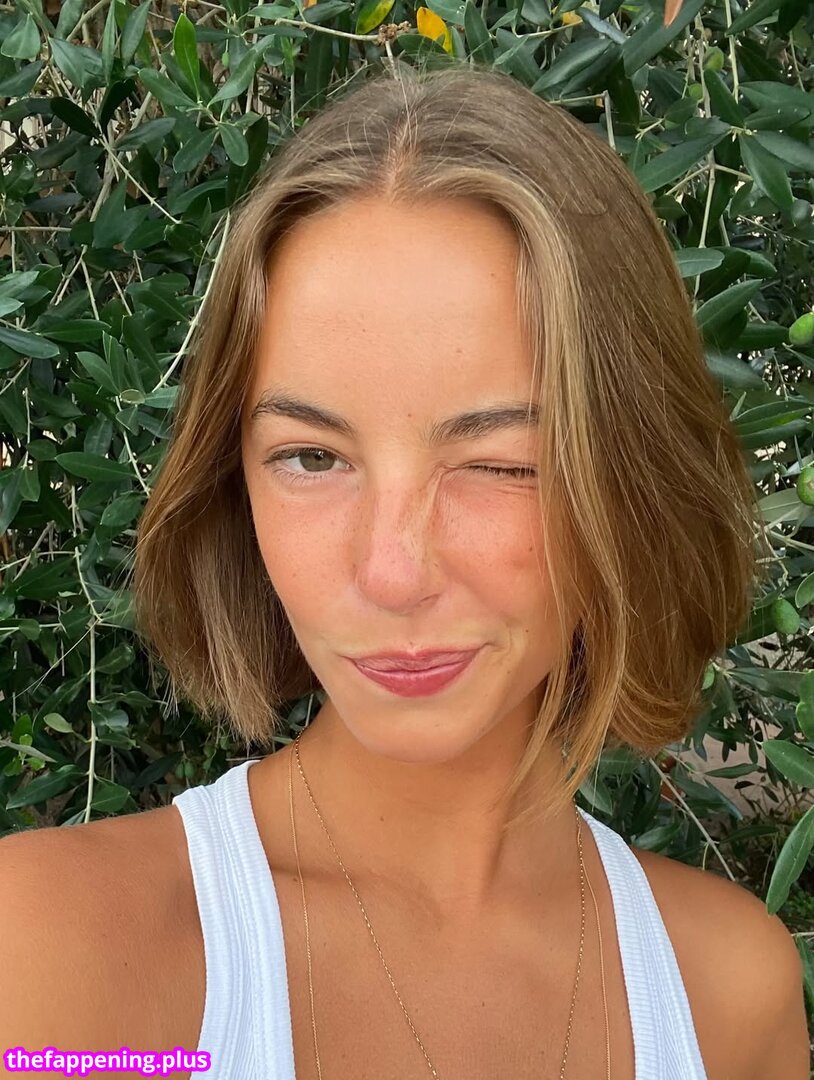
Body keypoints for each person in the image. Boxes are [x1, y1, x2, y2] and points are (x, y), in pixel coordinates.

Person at [0, 64, 808, 1080]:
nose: (390, 572)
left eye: (501, 464)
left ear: (634, 481)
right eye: (311, 457)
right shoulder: (46, 958)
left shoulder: (728, 992)